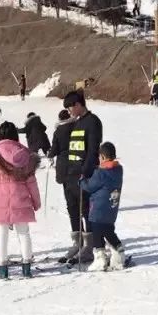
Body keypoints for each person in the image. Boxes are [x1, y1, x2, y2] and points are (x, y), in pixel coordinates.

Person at [0, 121, 41, 279]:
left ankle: (3, 270)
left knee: (1, 235)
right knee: (24, 233)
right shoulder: (25, 154)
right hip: (21, 201)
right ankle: (26, 267)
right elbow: (31, 182)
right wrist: (36, 202)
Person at [60, 91, 103, 265]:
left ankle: (89, 247)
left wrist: (85, 172)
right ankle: (77, 243)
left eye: (70, 107)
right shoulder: (76, 123)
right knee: (72, 209)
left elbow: (93, 151)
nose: (69, 111)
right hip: (70, 174)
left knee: (86, 210)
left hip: (84, 175)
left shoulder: (93, 122)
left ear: (78, 104)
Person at [81, 142, 126, 271]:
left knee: (97, 233)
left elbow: (90, 187)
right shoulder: (118, 170)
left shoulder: (101, 173)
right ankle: (118, 253)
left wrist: (82, 181)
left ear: (103, 157)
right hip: (111, 209)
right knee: (108, 231)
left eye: (100, 157)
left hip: (98, 210)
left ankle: (101, 258)